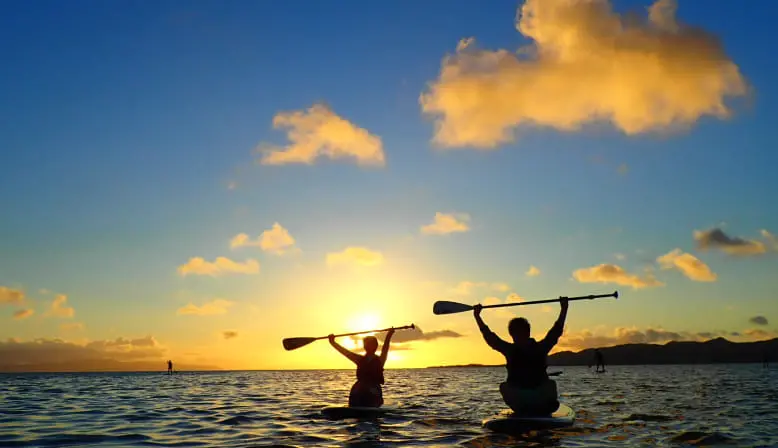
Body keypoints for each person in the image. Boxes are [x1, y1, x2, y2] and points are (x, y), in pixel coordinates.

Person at [474, 297, 569, 416]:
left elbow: (556, 331)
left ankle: (535, 408)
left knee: (550, 384)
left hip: (535, 398)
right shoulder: (535, 348)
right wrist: (477, 317)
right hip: (524, 399)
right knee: (505, 386)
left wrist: (564, 309)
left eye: (520, 333)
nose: (519, 336)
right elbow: (489, 337)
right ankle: (533, 408)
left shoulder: (533, 348)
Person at [329, 328, 395, 407]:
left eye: (370, 344)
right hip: (359, 389)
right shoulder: (359, 359)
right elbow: (344, 352)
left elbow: (385, 348)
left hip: (374, 388)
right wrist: (332, 342)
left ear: (375, 346)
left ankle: (372, 404)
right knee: (358, 388)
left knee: (369, 389)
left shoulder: (380, 360)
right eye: (367, 344)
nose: (368, 346)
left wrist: (389, 335)